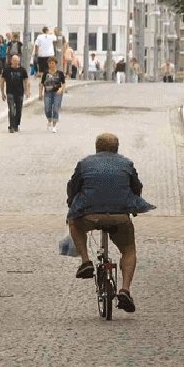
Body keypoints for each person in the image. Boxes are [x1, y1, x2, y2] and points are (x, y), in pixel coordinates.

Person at [66, 133, 156, 313]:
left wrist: (72, 204)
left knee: (74, 223)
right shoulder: (127, 164)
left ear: (96, 147)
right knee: (128, 249)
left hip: (90, 215)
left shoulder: (85, 164)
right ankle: (125, 290)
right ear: (117, 148)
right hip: (119, 217)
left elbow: (73, 188)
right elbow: (136, 188)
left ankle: (85, 261)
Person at [0, 54, 31, 133]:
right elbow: (2, 81)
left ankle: (16, 125)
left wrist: (27, 91)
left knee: (18, 110)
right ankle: (11, 126)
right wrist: (2, 93)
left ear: (19, 61)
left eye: (17, 60)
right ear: (11, 61)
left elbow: (26, 81)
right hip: (10, 92)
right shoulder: (6, 70)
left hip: (20, 92)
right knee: (11, 109)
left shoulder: (22, 70)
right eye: (14, 60)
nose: (15, 62)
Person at [39, 57, 66, 133]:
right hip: (47, 92)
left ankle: (54, 126)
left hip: (57, 93)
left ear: (56, 64)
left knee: (55, 108)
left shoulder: (60, 73)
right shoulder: (46, 73)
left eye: (53, 63)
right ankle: (49, 119)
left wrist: (61, 89)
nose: (51, 65)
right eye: (50, 63)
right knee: (47, 107)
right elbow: (41, 84)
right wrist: (40, 94)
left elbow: (63, 83)